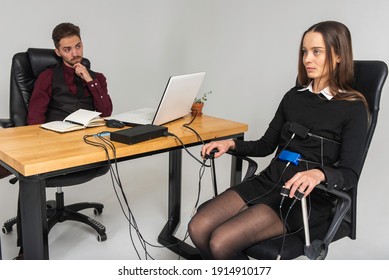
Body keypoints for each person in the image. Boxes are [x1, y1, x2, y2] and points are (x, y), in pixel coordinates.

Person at [188, 21, 369, 260]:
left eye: (317, 52)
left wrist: (318, 174)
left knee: (221, 241)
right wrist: (231, 144)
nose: (307, 59)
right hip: (270, 180)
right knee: (198, 227)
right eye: (304, 51)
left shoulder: (352, 108)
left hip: (304, 196)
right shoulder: (293, 97)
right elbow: (265, 145)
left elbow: (349, 174)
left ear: (338, 56)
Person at [15, 22, 113, 259]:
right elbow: (35, 120)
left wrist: (89, 79)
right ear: (57, 52)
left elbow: (107, 110)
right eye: (67, 49)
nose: (75, 53)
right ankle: (27, 249)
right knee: (27, 176)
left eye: (78, 46)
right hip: (55, 145)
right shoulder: (47, 77)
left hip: (88, 147)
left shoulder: (96, 77)